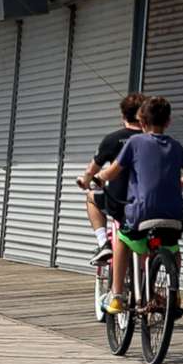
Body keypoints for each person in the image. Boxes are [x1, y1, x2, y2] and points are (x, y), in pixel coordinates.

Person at [90, 95, 183, 317]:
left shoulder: (135, 142)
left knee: (121, 237)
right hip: (173, 217)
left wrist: (99, 177)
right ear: (168, 122)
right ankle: (174, 294)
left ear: (141, 121)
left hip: (142, 215)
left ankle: (117, 295)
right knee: (173, 247)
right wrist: (182, 183)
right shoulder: (176, 146)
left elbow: (112, 172)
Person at [75, 92, 147, 266]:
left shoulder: (113, 139)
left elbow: (92, 170)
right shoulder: (153, 140)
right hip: (148, 202)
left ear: (123, 115)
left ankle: (103, 243)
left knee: (91, 197)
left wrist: (85, 182)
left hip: (118, 201)